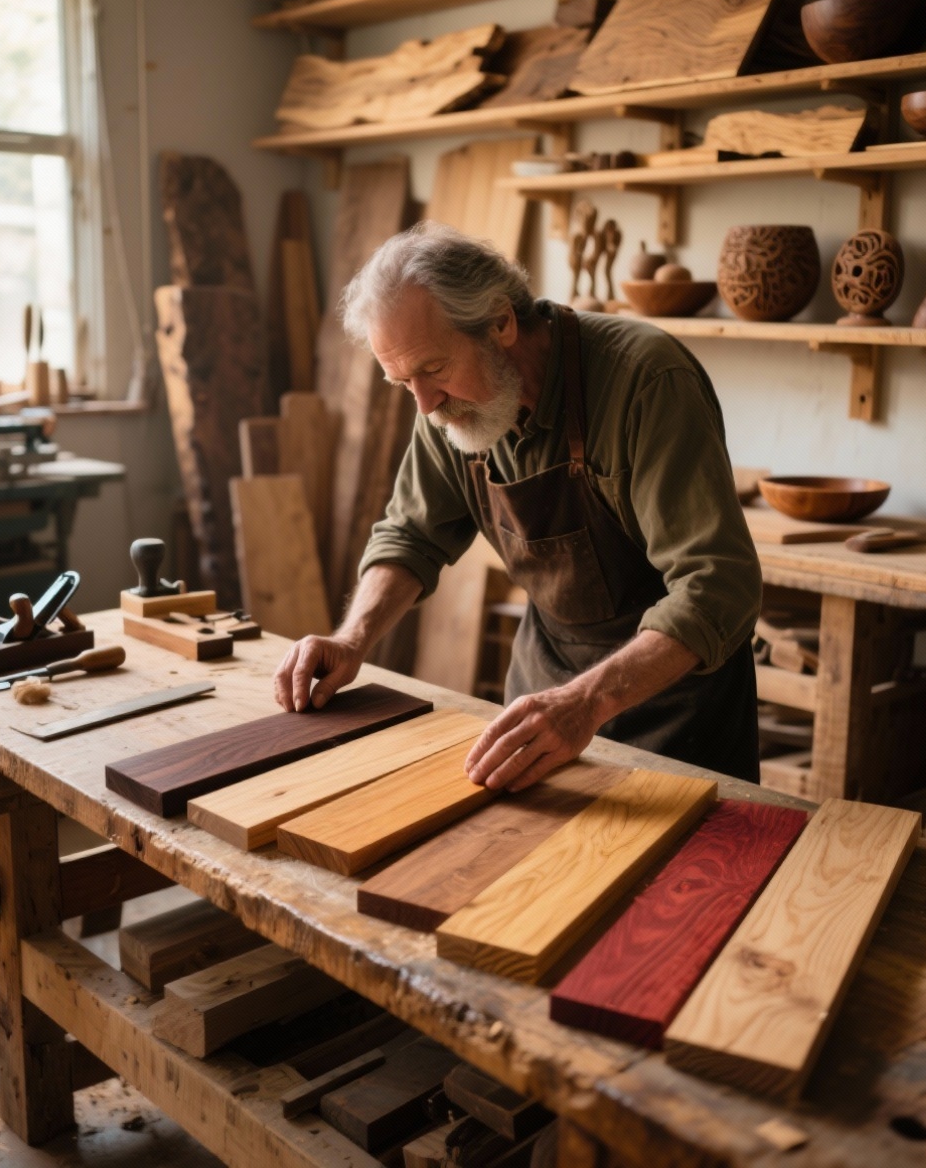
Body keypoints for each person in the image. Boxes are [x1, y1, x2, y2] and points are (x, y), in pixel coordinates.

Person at [273, 223, 762, 790]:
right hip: (544, 695)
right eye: (401, 382)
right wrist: (353, 637)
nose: (426, 404)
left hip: (678, 713)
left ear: (501, 322)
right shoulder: (446, 407)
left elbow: (717, 587)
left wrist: (584, 703)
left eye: (433, 370)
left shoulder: (645, 381)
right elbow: (411, 535)